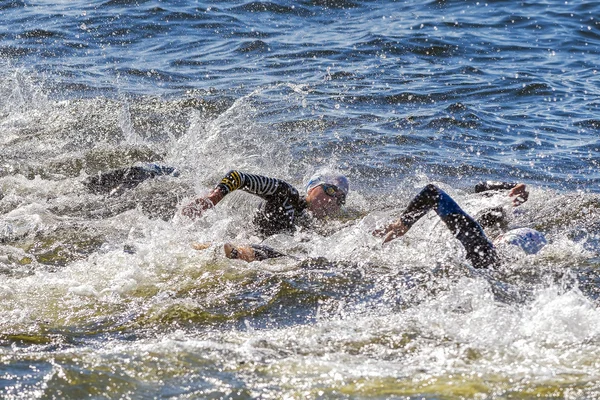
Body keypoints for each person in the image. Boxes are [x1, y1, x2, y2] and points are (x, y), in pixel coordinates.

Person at [182, 170, 350, 262]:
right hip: (243, 239)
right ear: (312, 187)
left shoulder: (314, 225)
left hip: (254, 251)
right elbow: (239, 177)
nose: (333, 200)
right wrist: (212, 199)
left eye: (341, 198)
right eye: (330, 190)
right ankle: (226, 250)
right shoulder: (286, 194)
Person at [373, 182, 546, 269]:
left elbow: (432, 192)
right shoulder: (505, 268)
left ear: (501, 239)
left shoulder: (482, 248)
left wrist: (401, 225)